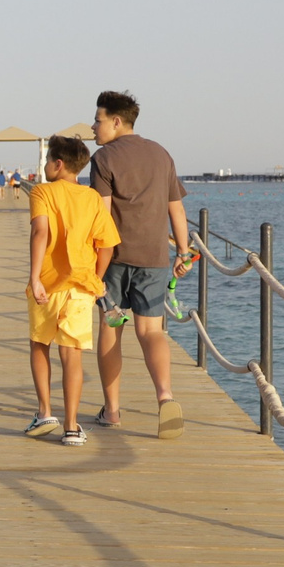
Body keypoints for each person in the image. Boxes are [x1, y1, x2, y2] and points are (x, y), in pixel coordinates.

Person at [86, 88, 193, 439]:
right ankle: (165, 397)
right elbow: (176, 209)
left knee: (110, 328)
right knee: (151, 332)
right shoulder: (161, 154)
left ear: (117, 121)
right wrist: (184, 252)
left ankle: (112, 411)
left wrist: (91, 264)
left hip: (114, 258)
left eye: (98, 120)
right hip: (154, 258)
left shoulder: (104, 158)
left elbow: (101, 215)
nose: (93, 127)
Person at [22, 135, 118, 447]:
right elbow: (106, 245)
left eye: (48, 160)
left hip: (48, 284)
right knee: (72, 355)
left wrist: (34, 278)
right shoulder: (92, 198)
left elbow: (40, 232)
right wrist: (96, 280)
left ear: (58, 164)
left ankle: (44, 412)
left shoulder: (42, 191)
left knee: (39, 344)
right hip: (81, 287)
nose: (45, 165)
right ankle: (72, 427)